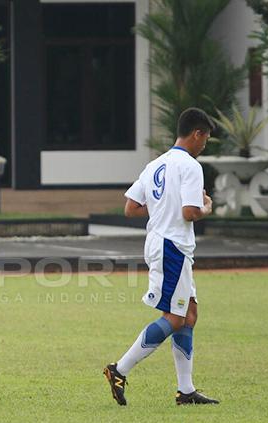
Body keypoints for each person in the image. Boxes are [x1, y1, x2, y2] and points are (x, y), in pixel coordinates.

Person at [103, 107, 220, 406]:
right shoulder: (191, 166)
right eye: (205, 138)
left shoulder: (155, 163)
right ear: (197, 134)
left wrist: (160, 209)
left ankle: (186, 390)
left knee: (189, 314)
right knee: (176, 317)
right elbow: (190, 212)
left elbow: (131, 207)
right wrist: (207, 207)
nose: (204, 145)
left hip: (161, 242)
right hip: (173, 246)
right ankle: (120, 369)